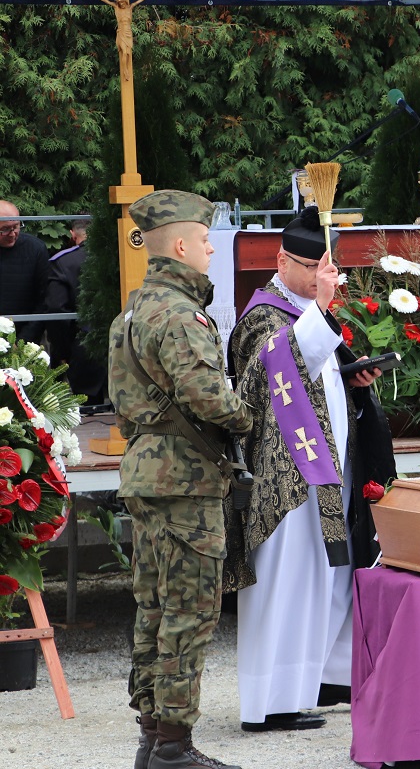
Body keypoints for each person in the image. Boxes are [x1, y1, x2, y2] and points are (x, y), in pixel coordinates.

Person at [106, 189, 254, 769]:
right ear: (184, 244)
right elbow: (207, 396)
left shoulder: (132, 311)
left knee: (153, 607)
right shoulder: (181, 314)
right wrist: (250, 417)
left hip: (146, 475)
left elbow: (121, 399)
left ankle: (152, 737)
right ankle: (174, 748)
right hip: (186, 483)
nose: (212, 250)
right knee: (190, 613)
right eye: (208, 240)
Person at [224, 205, 385, 733]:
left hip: (328, 473)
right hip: (283, 480)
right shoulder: (262, 316)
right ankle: (268, 703)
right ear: (281, 261)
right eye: (310, 267)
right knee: (283, 585)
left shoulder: (306, 312)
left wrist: (354, 381)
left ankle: (310, 683)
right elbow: (276, 370)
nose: (320, 277)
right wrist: (321, 307)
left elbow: (323, 376)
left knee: (326, 581)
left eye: (327, 267)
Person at [47, 218, 106, 405]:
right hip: (123, 348)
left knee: (87, 417)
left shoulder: (63, 262)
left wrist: (62, 351)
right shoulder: (121, 256)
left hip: (83, 349)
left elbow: (57, 310)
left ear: (73, 234)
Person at [0, 200, 50, 344]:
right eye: (5, 229)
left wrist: (23, 341)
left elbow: (44, 301)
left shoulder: (35, 249)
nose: (12, 234)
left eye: (16, 226)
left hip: (26, 338)